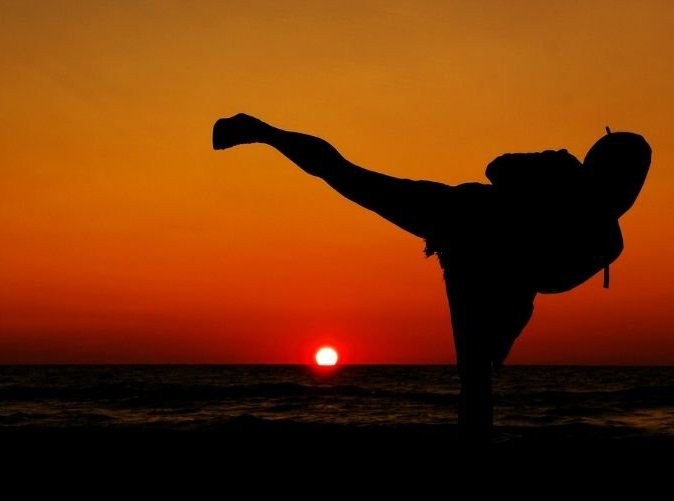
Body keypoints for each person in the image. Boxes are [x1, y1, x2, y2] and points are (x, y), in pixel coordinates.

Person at [212, 113, 651, 441]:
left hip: (494, 275)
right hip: (456, 217)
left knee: (478, 375)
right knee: (347, 175)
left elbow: (551, 281)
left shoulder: (607, 240)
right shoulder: (562, 175)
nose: (629, 191)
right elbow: (495, 168)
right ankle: (259, 130)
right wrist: (544, 170)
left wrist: (514, 289)